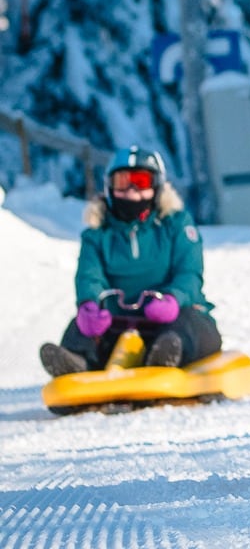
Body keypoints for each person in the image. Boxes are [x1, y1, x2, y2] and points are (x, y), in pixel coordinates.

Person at [39, 146, 222, 376]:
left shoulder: (176, 224)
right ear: (110, 187)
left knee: (188, 326)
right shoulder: (97, 233)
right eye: (123, 182)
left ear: (156, 186)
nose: (132, 190)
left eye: (141, 181)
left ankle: (167, 356)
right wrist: (89, 304)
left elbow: (189, 272)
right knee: (81, 326)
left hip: (170, 318)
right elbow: (90, 276)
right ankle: (78, 361)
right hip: (118, 323)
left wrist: (174, 298)